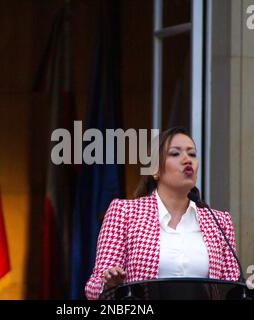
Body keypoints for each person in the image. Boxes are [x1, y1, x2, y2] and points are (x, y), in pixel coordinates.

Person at [85, 126, 240, 300]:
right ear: (155, 170)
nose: (187, 160)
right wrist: (109, 284)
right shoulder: (124, 213)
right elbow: (93, 287)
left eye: (192, 154)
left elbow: (232, 289)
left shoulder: (219, 221)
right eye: (175, 153)